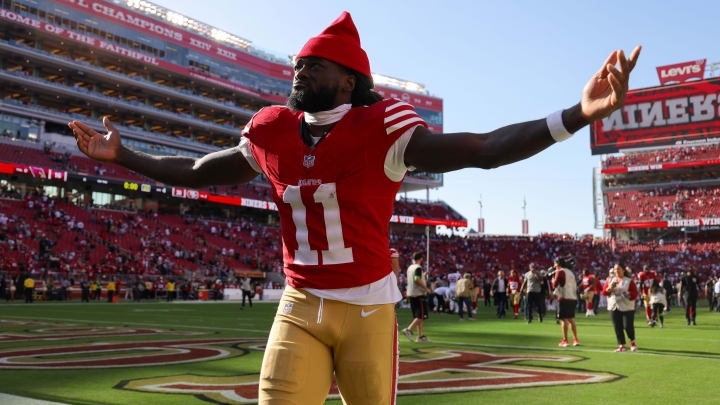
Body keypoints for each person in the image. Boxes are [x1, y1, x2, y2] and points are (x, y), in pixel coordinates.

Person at [67, 11, 641, 404]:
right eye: (298, 63)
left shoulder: (383, 126)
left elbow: (484, 149)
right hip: (300, 304)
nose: (299, 71)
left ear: (349, 80)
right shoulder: (271, 129)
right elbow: (198, 171)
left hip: (368, 310)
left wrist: (577, 114)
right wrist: (125, 156)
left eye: (313, 65)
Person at [602, 263, 639, 352]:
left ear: (623, 270)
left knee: (627, 326)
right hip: (613, 306)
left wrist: (626, 294)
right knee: (617, 326)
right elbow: (604, 292)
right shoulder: (610, 280)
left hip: (627, 306)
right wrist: (609, 288)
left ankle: (632, 342)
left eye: (618, 269)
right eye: (615, 269)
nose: (616, 271)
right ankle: (622, 345)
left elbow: (635, 294)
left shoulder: (629, 281)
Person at [403, 252, 432, 342]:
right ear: (421, 259)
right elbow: (417, 279)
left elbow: (415, 277)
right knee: (421, 315)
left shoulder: (410, 267)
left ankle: (420, 336)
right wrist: (426, 289)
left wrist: (423, 275)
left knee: (420, 316)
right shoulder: (418, 268)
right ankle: (409, 330)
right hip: (418, 294)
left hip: (411, 293)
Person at [552, 256, 580, 347]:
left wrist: (552, 280)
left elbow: (555, 284)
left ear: (558, 263)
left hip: (564, 297)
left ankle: (565, 340)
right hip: (572, 297)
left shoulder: (559, 271)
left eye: (555, 263)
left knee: (564, 320)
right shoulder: (571, 272)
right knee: (571, 319)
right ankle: (575, 339)